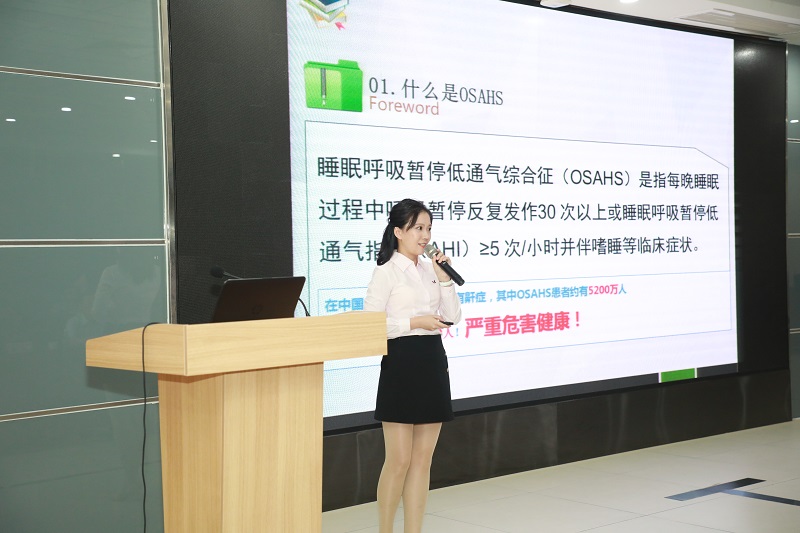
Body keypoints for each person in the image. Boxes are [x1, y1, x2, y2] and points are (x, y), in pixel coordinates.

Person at [364, 198, 463, 533]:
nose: (425, 235)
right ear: (398, 231)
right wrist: (414, 322)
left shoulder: (431, 269)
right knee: (399, 460)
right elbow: (371, 326)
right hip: (401, 363)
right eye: (418, 228)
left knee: (422, 460)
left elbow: (451, 317)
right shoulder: (386, 272)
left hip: (432, 361)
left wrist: (444, 279)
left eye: (429, 228)